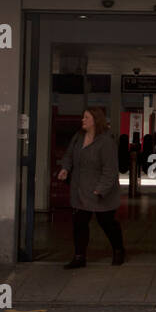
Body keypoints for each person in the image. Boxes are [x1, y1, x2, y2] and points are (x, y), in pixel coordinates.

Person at [58, 107, 125, 267]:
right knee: (79, 223)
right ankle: (79, 256)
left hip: (100, 191)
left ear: (96, 120)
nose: (83, 120)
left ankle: (118, 250)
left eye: (86, 117)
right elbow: (69, 155)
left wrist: (100, 189)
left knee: (106, 223)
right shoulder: (78, 137)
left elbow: (110, 170)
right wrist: (65, 168)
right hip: (80, 189)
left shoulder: (106, 141)